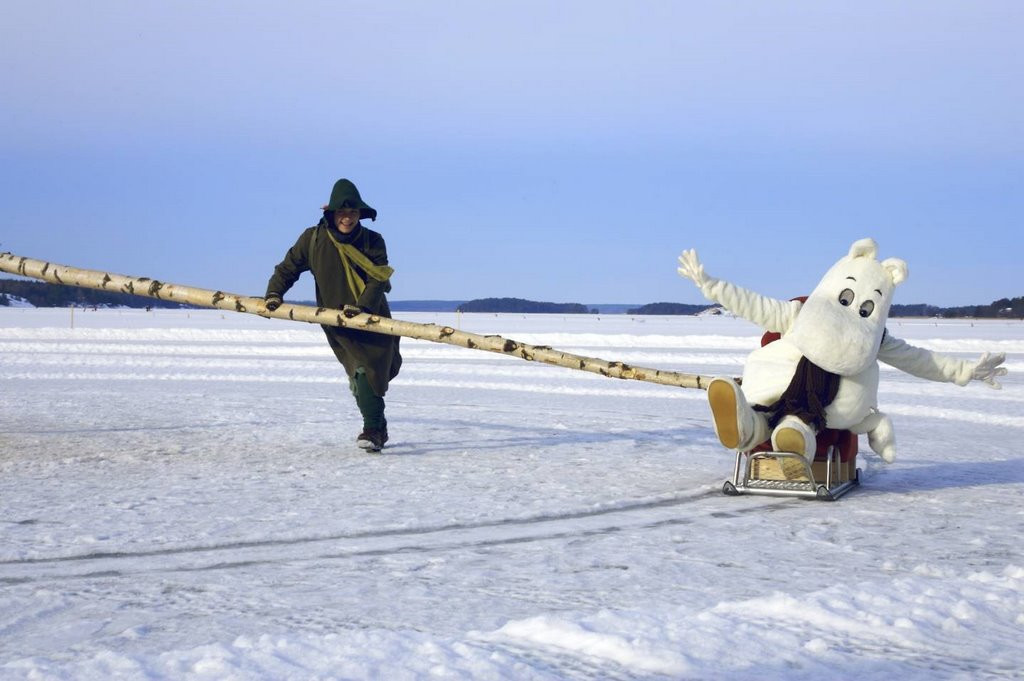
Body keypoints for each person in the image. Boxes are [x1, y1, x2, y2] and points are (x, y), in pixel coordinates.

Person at [264, 178, 402, 451]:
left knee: (368, 372)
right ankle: (378, 427)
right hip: (335, 321)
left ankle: (373, 430)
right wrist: (273, 294)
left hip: (372, 319)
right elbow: (288, 268)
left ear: (359, 214)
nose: (347, 219)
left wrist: (362, 309)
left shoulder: (373, 241)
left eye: (352, 213)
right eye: (342, 213)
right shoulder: (313, 239)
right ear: (331, 213)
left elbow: (377, 281)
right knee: (358, 375)